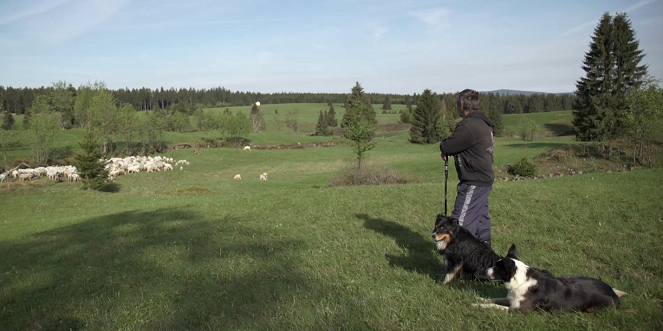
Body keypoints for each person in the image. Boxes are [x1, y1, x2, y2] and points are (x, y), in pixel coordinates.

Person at [439, 89, 495, 248]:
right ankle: (484, 264)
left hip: (474, 180)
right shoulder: (483, 122)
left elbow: (449, 144)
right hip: (483, 179)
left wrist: (444, 148)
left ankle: (456, 269)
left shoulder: (468, 125)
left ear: (462, 104)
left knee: (459, 225)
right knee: (480, 221)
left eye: (458, 103)